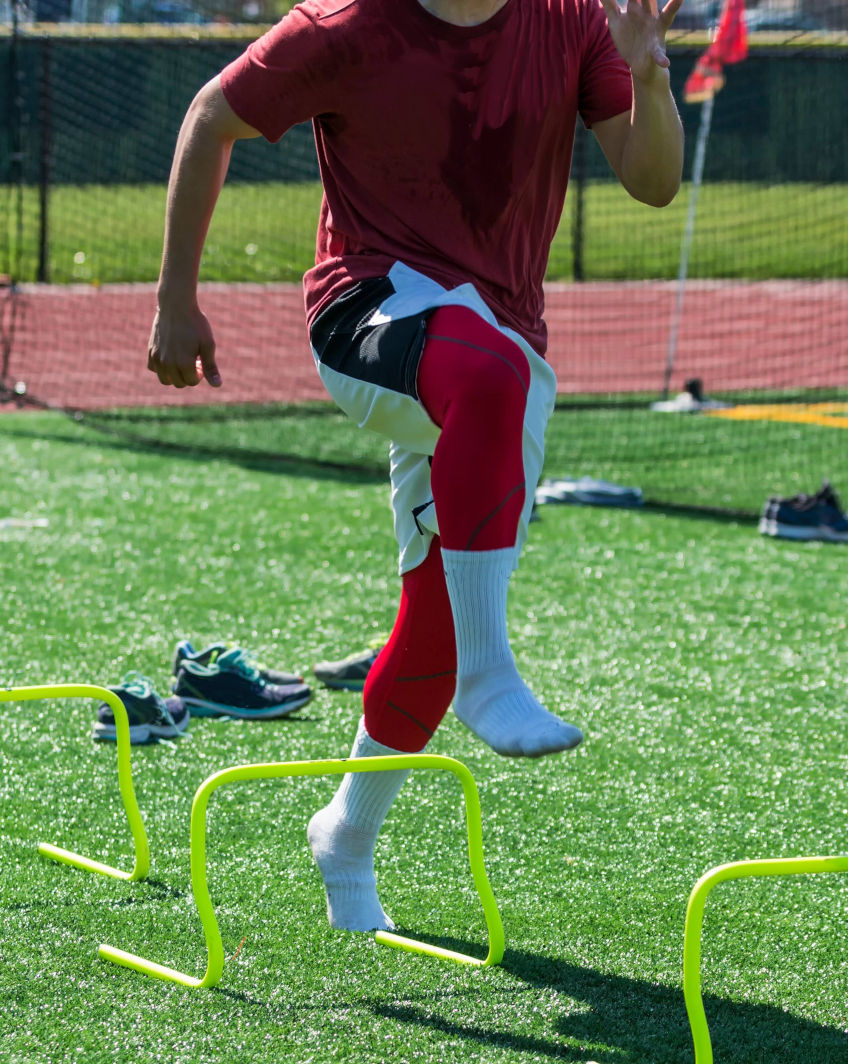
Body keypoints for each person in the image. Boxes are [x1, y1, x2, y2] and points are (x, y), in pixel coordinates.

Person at [147, 0, 684, 932]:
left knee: (432, 624)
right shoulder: (343, 23)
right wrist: (174, 301)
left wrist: (647, 76)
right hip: (367, 307)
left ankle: (345, 837)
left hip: (496, 356)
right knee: (492, 373)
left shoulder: (573, 22)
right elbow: (210, 115)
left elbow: (654, 183)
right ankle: (490, 673)